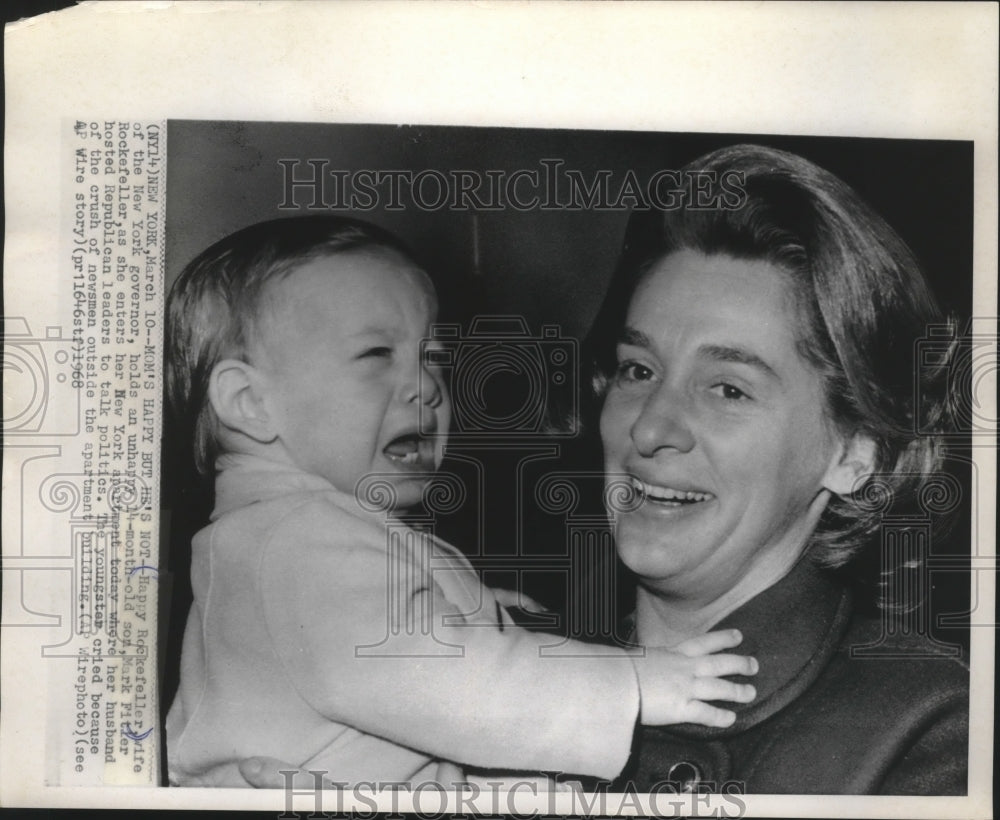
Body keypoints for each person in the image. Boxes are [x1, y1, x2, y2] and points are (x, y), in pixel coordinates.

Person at [164, 215, 759, 788]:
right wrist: (630, 684)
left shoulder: (283, 542)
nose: (426, 386)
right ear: (249, 402)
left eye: (434, 358)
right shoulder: (294, 540)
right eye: (376, 355)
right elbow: (442, 681)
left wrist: (465, 605)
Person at [586, 143, 968, 794]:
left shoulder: (928, 730)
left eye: (728, 389)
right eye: (638, 370)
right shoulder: (504, 670)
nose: (649, 429)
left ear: (856, 453)